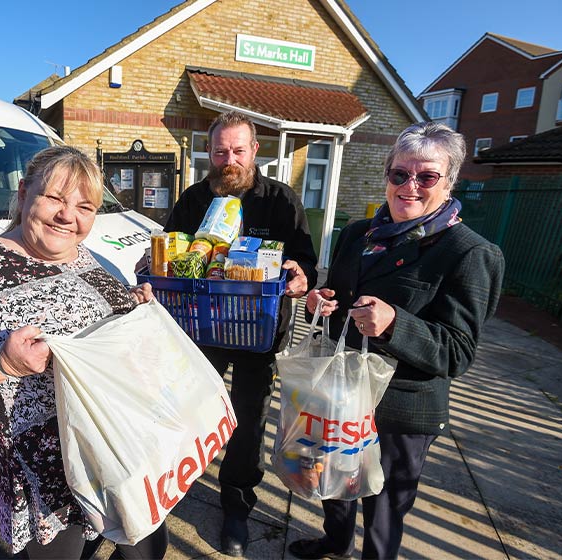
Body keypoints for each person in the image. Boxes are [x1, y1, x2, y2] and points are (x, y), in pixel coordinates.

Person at [0, 146, 167, 559]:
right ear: (24, 195)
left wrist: (130, 309)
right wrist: (2, 364)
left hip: (119, 456)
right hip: (50, 486)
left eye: (85, 206)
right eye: (55, 198)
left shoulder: (86, 256)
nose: (68, 216)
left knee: (149, 551)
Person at [288, 122, 504, 560]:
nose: (410, 186)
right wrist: (319, 304)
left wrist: (393, 324)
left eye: (426, 176)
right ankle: (336, 542)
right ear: (387, 176)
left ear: (449, 181)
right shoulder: (358, 235)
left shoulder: (470, 252)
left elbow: (457, 351)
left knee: (384, 506)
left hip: (403, 407)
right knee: (335, 479)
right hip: (344, 391)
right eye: (400, 174)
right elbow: (340, 298)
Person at [164, 110, 319, 557]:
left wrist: (298, 273)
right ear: (209, 153)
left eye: (237, 149)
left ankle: (236, 502)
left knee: (249, 419)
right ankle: (173, 482)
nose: (228, 158)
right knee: (189, 407)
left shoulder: (280, 200)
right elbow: (169, 249)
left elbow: (305, 260)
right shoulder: (194, 200)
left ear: (254, 151)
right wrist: (153, 267)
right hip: (201, 328)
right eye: (219, 150)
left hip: (258, 333)